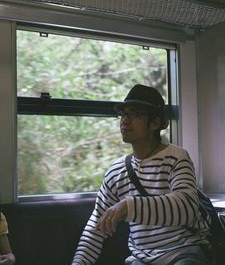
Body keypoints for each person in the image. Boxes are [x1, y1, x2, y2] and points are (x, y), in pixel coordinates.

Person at [72, 84, 210, 265]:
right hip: (141, 259)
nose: (125, 120)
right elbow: (97, 227)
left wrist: (128, 207)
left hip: (182, 252)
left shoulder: (176, 157)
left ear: (155, 123)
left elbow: (186, 208)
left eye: (135, 113)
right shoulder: (117, 171)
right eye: (123, 114)